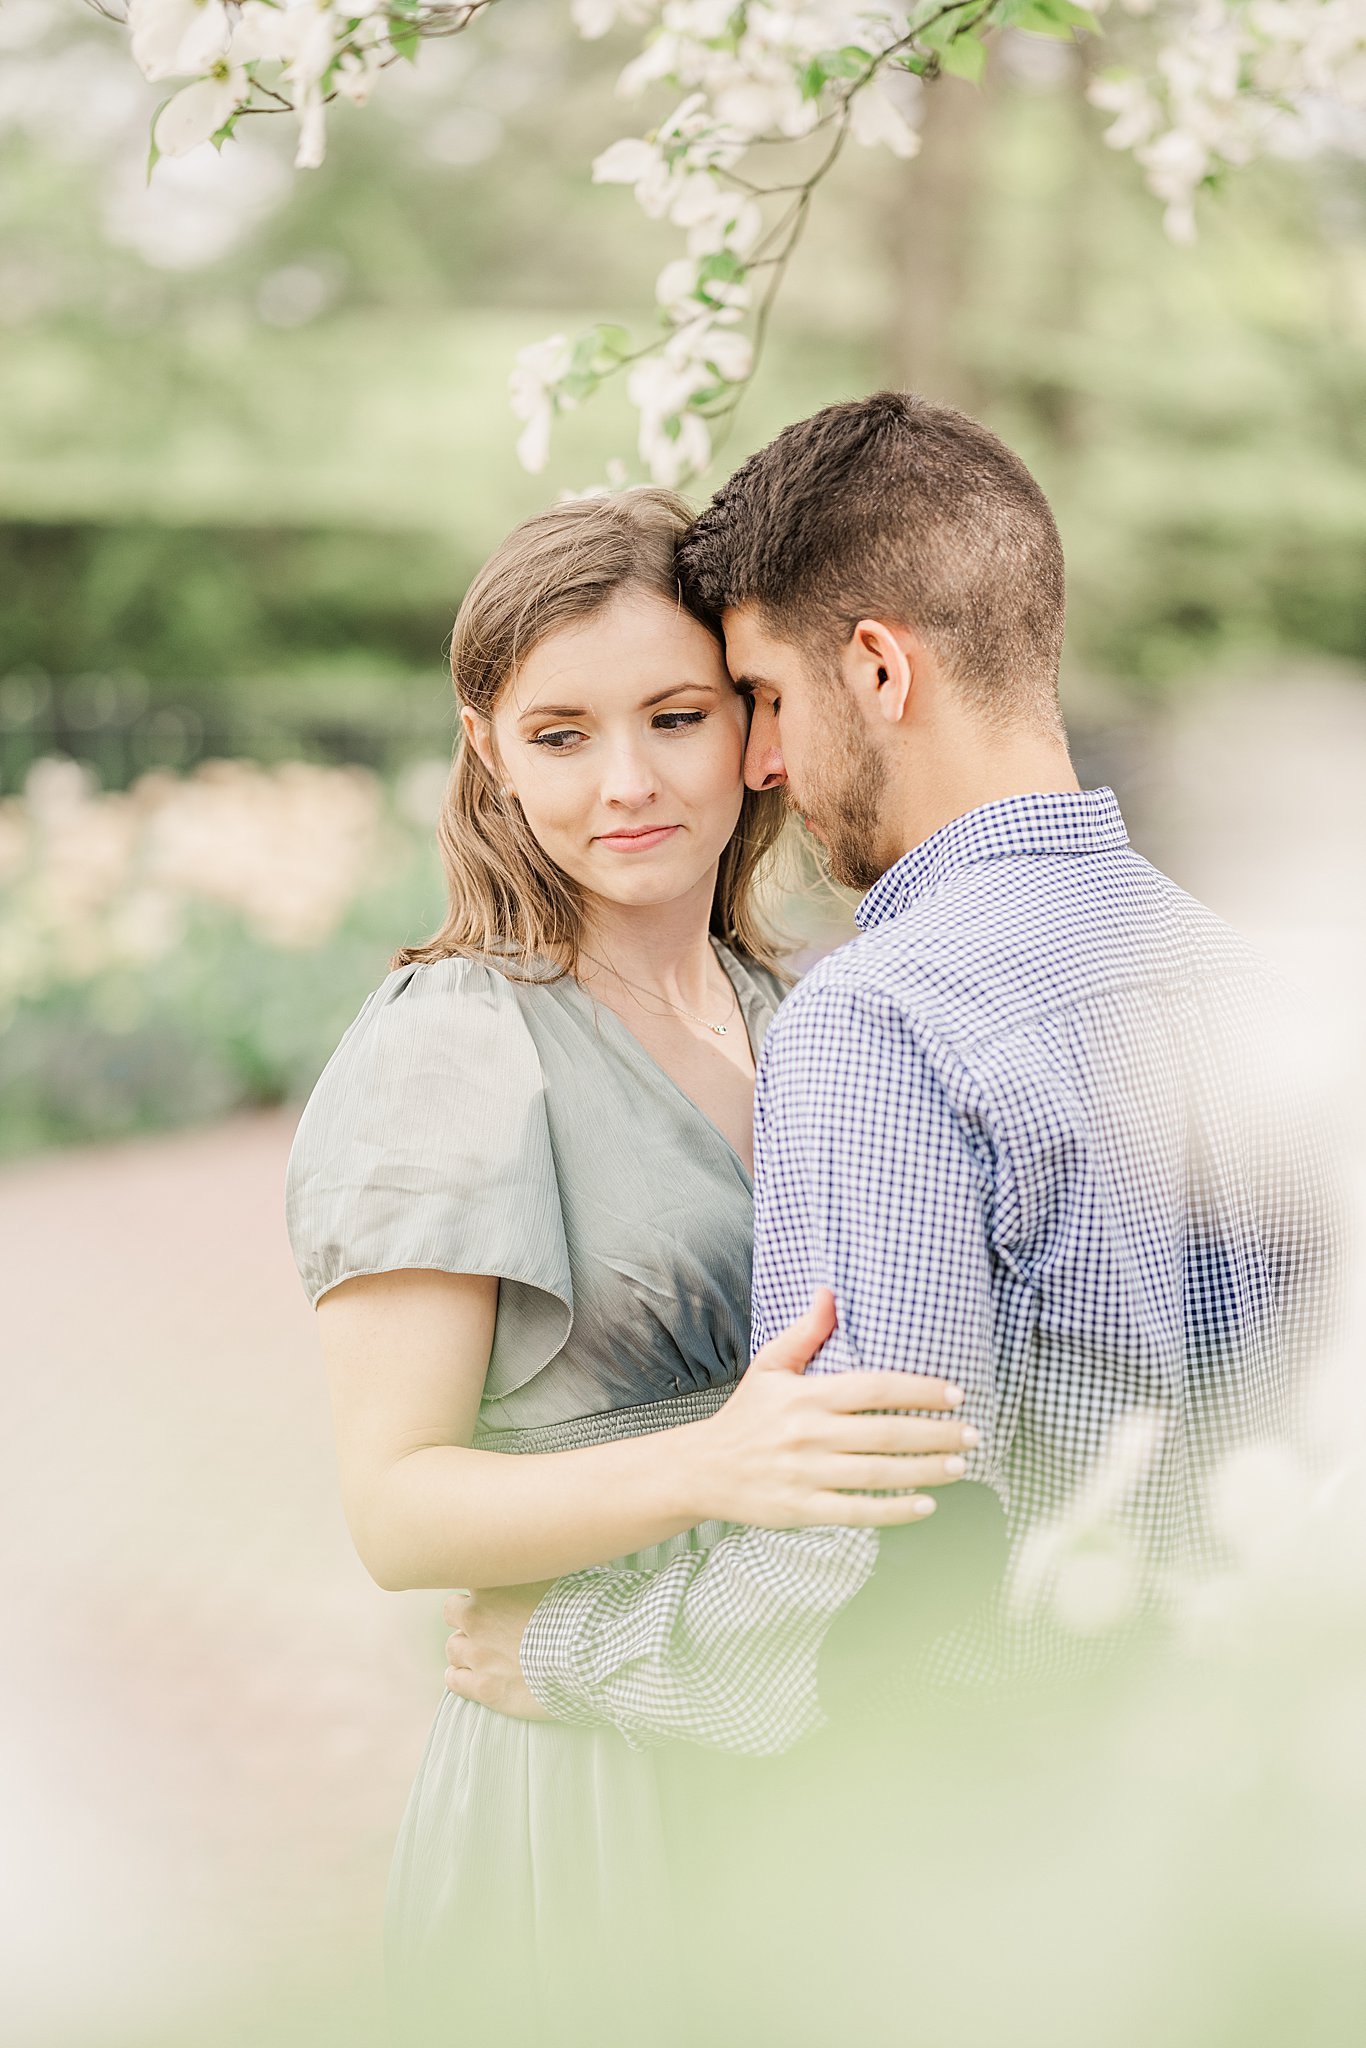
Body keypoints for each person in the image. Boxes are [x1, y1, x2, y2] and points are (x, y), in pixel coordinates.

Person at [444, 391, 1341, 1762]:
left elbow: (868, 1561)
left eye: (763, 699)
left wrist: (568, 1645)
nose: (755, 764)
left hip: (1004, 1830)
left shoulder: (881, 1023)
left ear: (876, 669)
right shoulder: (1290, 989)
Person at [283, 487, 978, 2044]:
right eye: (559, 735)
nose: (628, 784)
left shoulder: (809, 1013)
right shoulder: (456, 1046)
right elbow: (397, 1513)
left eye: (675, 715)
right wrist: (712, 1466)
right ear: (486, 749)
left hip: (807, 1728)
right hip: (583, 1752)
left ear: (757, 722)